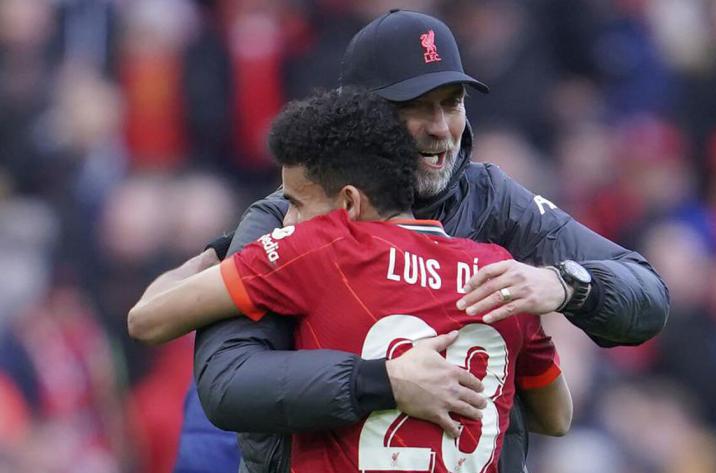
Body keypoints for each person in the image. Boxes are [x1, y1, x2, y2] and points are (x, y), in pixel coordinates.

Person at [176, 9, 669, 473]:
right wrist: (383, 381)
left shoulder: (494, 202)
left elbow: (647, 295)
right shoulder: (287, 215)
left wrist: (564, 285)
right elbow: (226, 384)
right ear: (361, 120)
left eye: (452, 103)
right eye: (415, 107)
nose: (440, 129)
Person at [129, 88, 572, 473]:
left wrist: (216, 253)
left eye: (296, 203)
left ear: (348, 204)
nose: (286, 220)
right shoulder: (499, 273)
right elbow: (557, 418)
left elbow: (146, 319)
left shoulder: (319, 249)